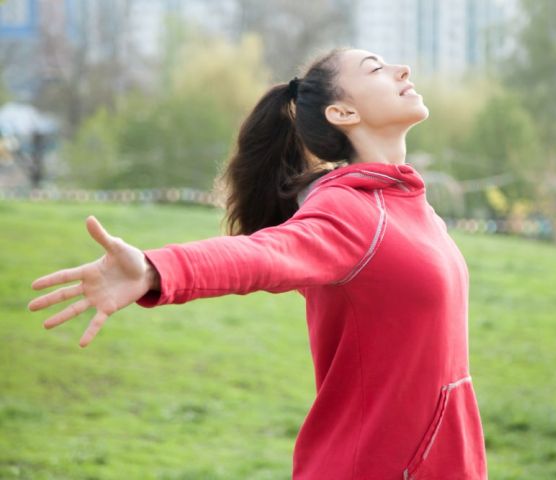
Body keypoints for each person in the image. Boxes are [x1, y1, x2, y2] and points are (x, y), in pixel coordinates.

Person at [28, 47, 488, 479]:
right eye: (375, 68)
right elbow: (264, 253)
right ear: (343, 113)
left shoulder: (410, 206)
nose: (401, 70)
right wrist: (155, 269)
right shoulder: (353, 211)